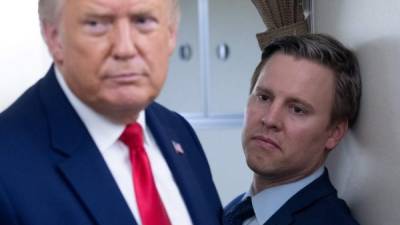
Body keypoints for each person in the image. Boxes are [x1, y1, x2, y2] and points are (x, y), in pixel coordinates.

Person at [0, 0, 222, 224]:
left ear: (171, 33)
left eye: (143, 21)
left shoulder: (180, 132)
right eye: (96, 24)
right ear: (54, 37)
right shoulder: (7, 166)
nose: (124, 48)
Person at [224, 34, 361, 225]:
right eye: (264, 97)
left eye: (297, 109)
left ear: (334, 132)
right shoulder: (234, 210)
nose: (270, 119)